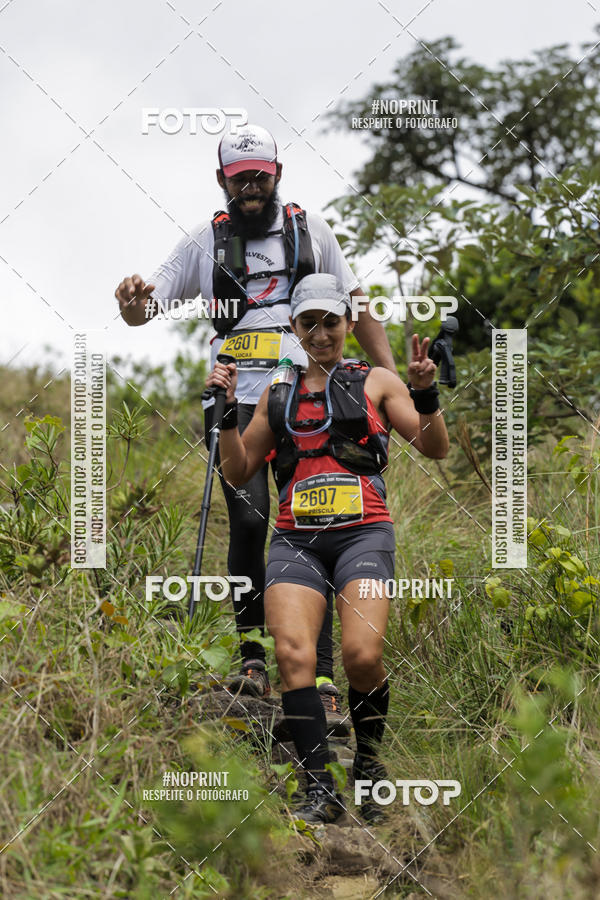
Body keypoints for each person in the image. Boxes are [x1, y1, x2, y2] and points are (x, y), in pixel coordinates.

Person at [115, 124, 397, 730]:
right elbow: (146, 308)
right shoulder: (203, 243)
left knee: (314, 518)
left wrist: (391, 382)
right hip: (237, 399)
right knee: (248, 517)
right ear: (222, 180)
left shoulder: (310, 231)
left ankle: (320, 678)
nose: (250, 187)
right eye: (239, 177)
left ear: (276, 176)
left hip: (308, 395)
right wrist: (132, 299)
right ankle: (251, 656)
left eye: (260, 176)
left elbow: (359, 303)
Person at [207, 272, 449, 824]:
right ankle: (319, 786)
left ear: (346, 322)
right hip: (296, 541)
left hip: (364, 533)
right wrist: (223, 413)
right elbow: (239, 468)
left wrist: (426, 391)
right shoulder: (278, 391)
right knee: (293, 656)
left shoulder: (378, 382)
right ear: (295, 328)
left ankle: (369, 765)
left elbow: (435, 448)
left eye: (331, 322)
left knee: (362, 656)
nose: (321, 334)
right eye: (309, 324)